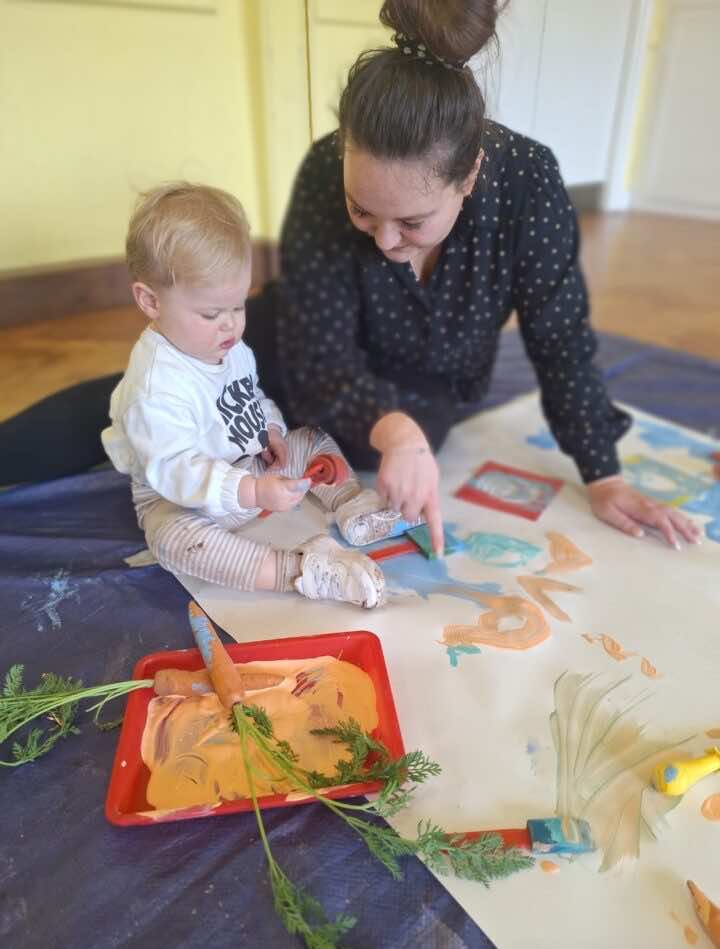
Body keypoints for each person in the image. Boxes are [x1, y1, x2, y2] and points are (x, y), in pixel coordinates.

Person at [0, 0, 700, 554]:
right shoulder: (320, 166)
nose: (388, 243)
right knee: (140, 405)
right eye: (361, 211)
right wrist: (386, 432)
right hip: (294, 344)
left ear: (471, 177)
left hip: (428, 383)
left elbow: (561, 336)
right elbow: (317, 357)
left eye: (414, 222)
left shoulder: (531, 182)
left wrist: (602, 472)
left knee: (395, 442)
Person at [100, 181, 404, 609]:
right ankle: (299, 570)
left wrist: (271, 432)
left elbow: (250, 396)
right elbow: (176, 470)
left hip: (245, 465)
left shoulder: (227, 345)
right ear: (150, 301)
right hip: (181, 498)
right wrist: (253, 492)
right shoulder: (154, 387)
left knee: (310, 439)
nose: (230, 325)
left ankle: (353, 506)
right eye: (211, 313)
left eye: (239, 306)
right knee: (172, 541)